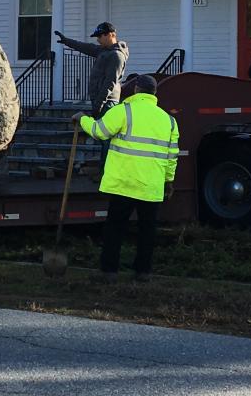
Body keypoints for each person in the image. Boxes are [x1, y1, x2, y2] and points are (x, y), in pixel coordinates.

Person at [73, 74, 179, 283]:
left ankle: (109, 271)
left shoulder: (124, 111)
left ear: (136, 89)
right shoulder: (169, 121)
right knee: (147, 231)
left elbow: (99, 132)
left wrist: (81, 118)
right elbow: (171, 156)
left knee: (115, 228)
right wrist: (168, 181)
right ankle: (143, 272)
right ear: (154, 93)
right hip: (151, 186)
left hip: (124, 183)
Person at [55, 22, 129, 117]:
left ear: (111, 35)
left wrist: (99, 105)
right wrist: (66, 41)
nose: (98, 40)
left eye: (100, 36)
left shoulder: (116, 55)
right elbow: (86, 47)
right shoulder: (103, 50)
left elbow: (110, 82)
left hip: (108, 102)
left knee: (103, 131)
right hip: (100, 101)